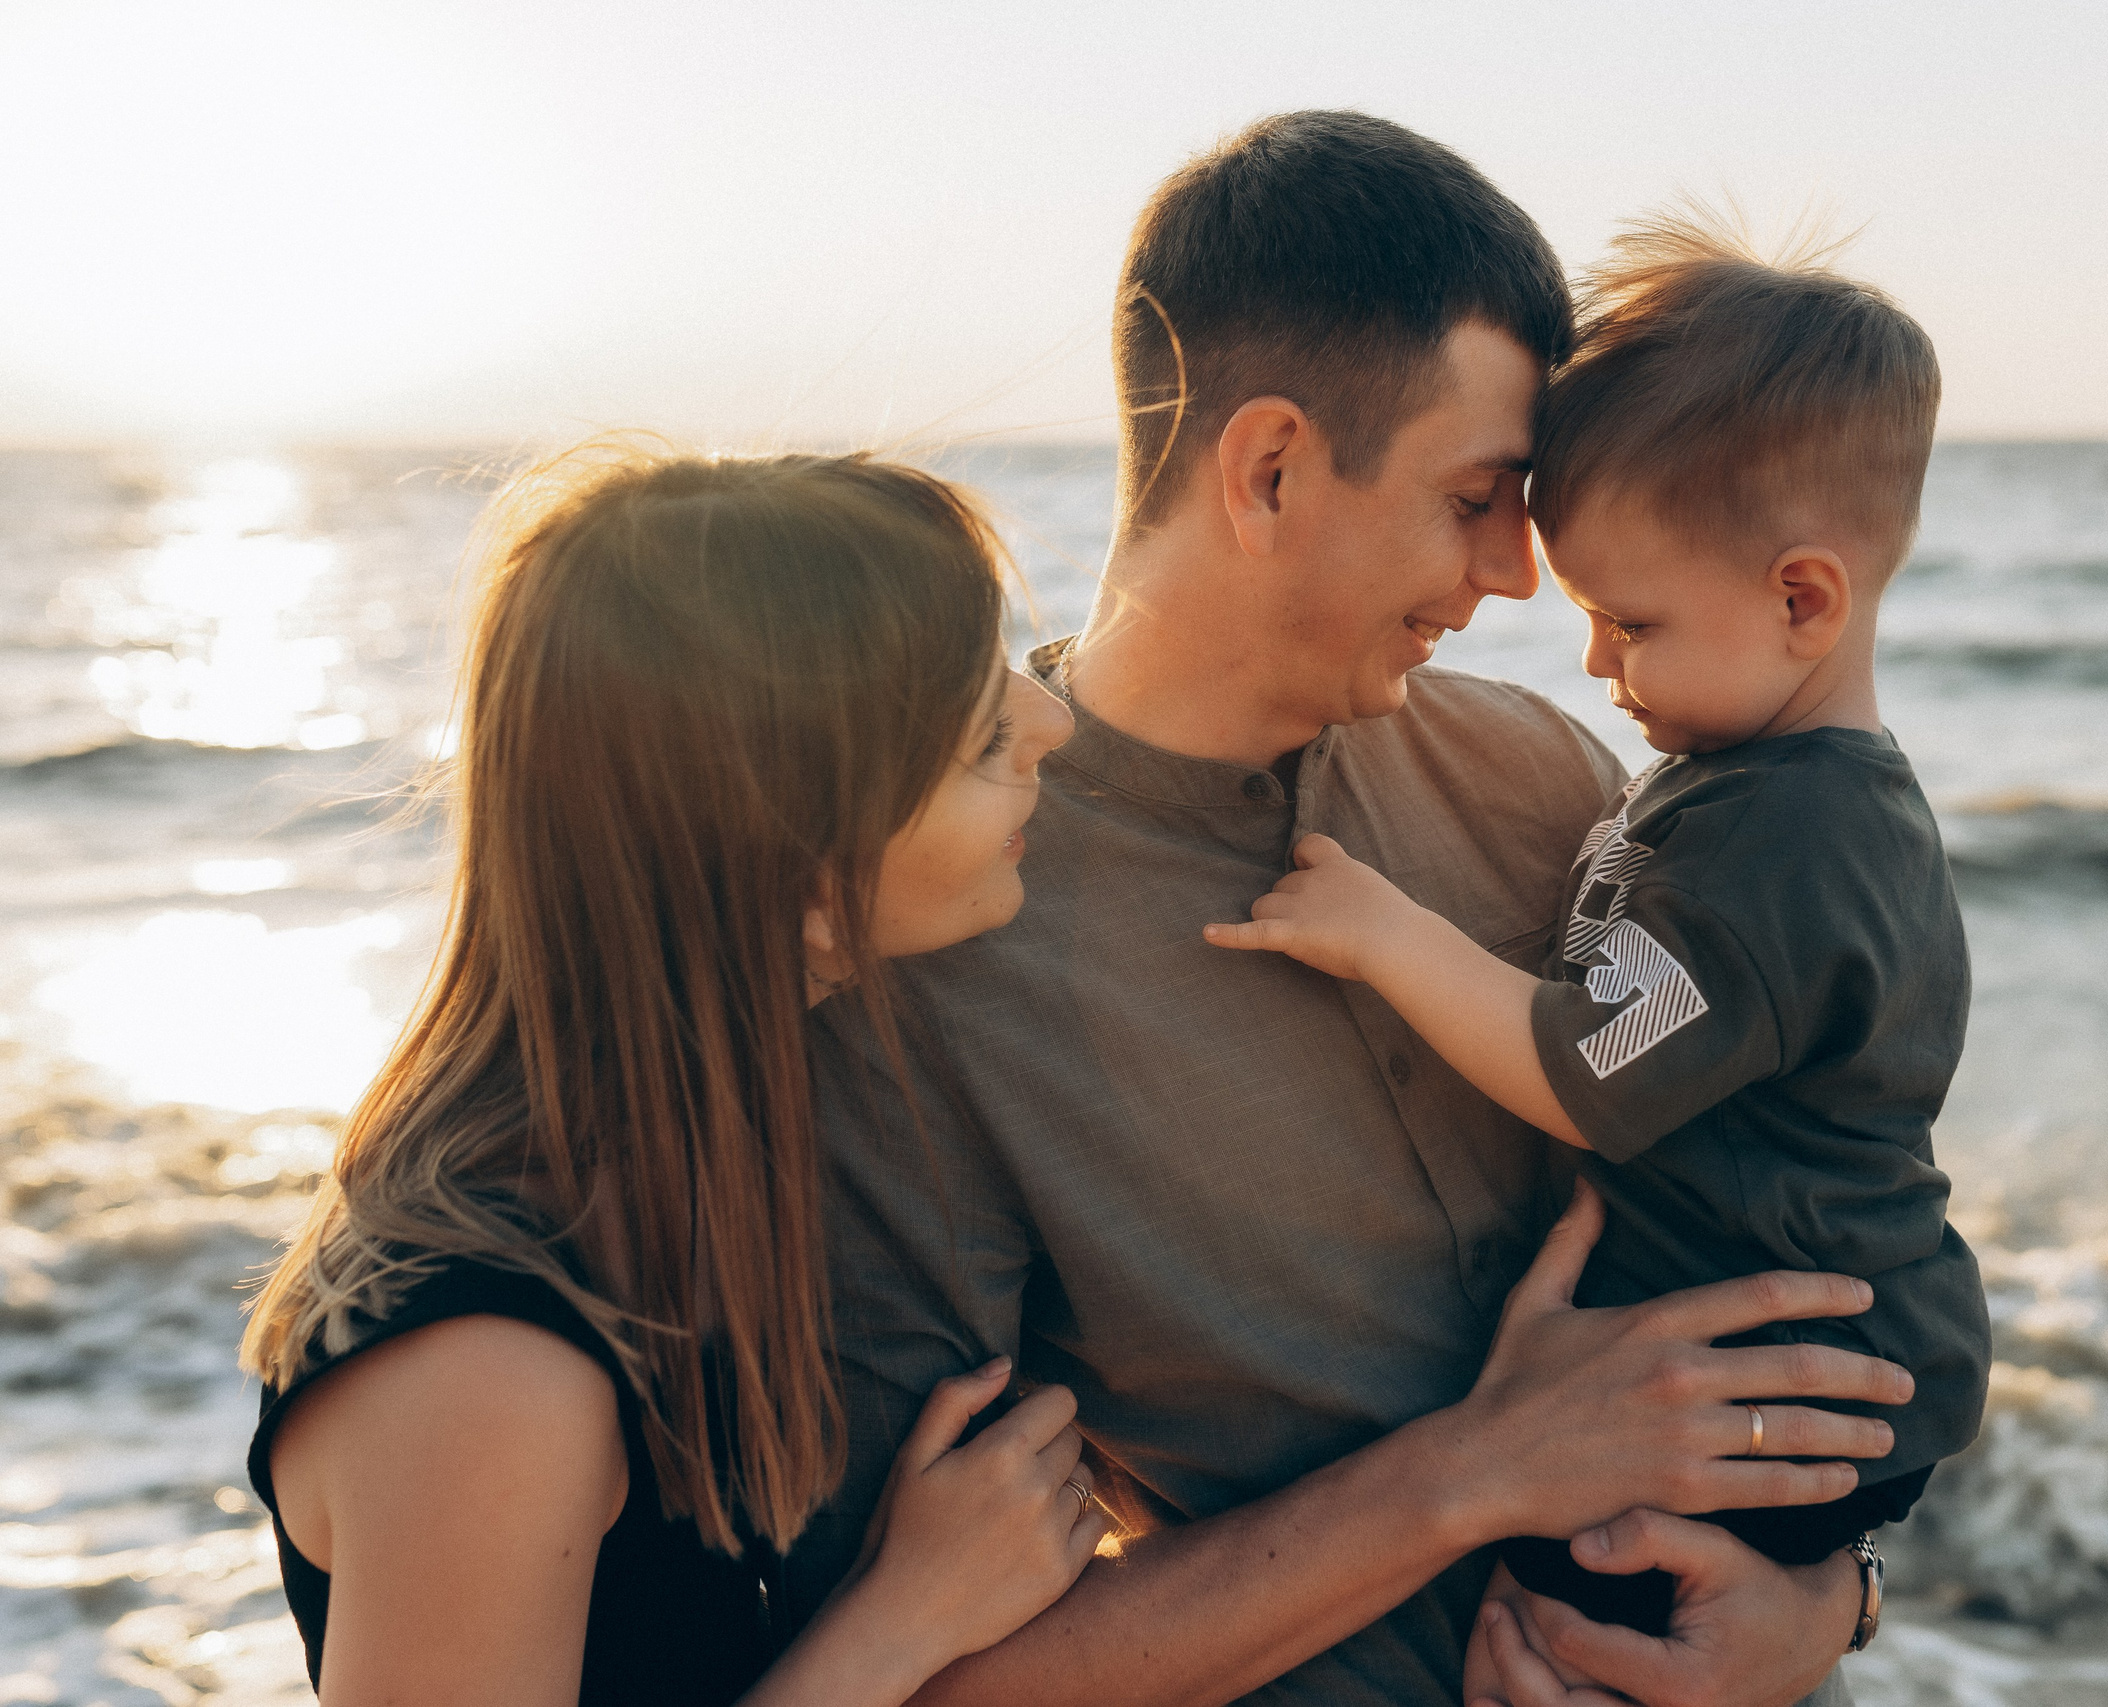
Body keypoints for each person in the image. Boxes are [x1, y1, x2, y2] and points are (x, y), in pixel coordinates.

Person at [786, 112, 1912, 1707]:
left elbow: (1808, 1231)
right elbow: (928, 1674)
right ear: (1268, 471)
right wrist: (1472, 1472)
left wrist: (1831, 1603)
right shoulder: (939, 940)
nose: (1522, 574)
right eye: (1477, 495)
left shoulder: (1551, 779)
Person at [1207, 206, 1992, 1639]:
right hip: (1765, 1360)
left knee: (1561, 1635)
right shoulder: (1745, 780)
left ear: (1803, 597)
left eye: (1627, 622)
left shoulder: (1793, 843)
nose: (1591, 659)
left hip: (1804, 1387)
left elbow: (1582, 1068)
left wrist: (1386, 931)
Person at [239, 447, 1104, 1705]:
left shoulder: (678, 1169)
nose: (1052, 721)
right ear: (807, 875)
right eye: (979, 731)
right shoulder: (487, 1370)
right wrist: (900, 1622)